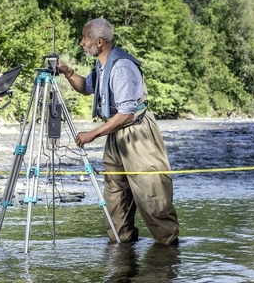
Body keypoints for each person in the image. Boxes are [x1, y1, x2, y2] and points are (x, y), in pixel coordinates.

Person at [57, 18, 179, 245]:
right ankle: (122, 251)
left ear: (99, 41)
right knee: (115, 198)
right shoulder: (102, 64)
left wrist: (92, 134)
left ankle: (167, 254)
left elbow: (126, 114)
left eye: (85, 38)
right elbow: (86, 87)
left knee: (152, 195)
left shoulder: (121, 66)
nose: (82, 43)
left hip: (136, 133)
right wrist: (66, 70)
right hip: (115, 133)